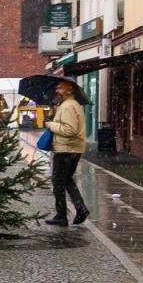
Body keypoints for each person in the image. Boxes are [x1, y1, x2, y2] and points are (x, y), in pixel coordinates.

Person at [46, 79, 90, 227]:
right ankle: (80, 208)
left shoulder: (68, 106)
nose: (57, 90)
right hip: (73, 149)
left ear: (69, 89)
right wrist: (53, 115)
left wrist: (50, 124)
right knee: (67, 180)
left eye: (60, 87)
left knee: (58, 182)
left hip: (66, 149)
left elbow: (70, 130)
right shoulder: (68, 105)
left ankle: (61, 216)